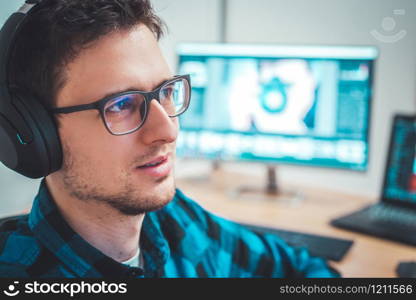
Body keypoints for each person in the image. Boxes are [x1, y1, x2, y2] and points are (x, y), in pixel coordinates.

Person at [0, 0, 339, 278]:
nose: (168, 131)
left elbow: (301, 269)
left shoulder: (172, 220)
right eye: (120, 105)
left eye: (166, 91)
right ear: (34, 135)